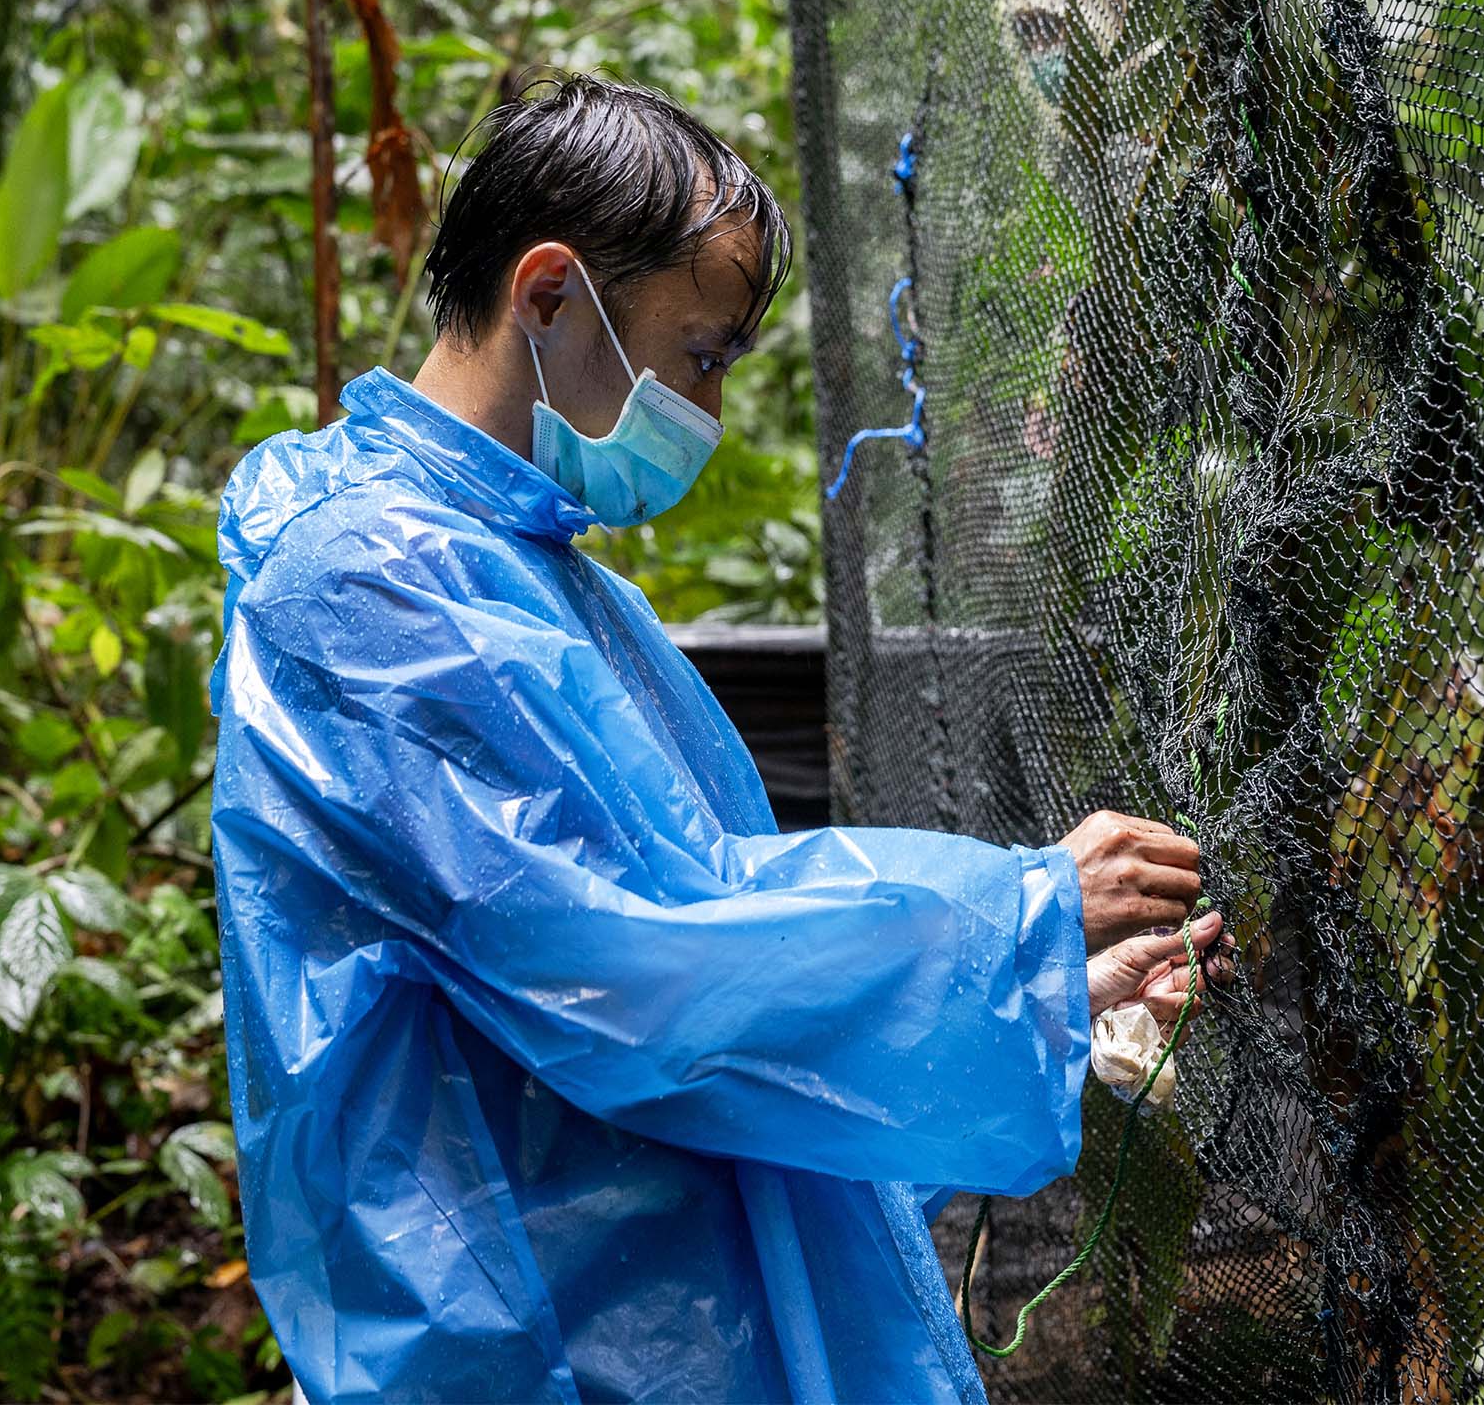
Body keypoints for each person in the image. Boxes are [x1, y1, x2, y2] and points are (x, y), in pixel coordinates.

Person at [211, 75, 1229, 1405]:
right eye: (700, 357)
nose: (707, 407)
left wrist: (1048, 1001)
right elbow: (626, 975)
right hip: (537, 1348)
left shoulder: (542, 582)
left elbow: (712, 995)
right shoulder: (374, 585)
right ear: (551, 295)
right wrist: (1017, 919)